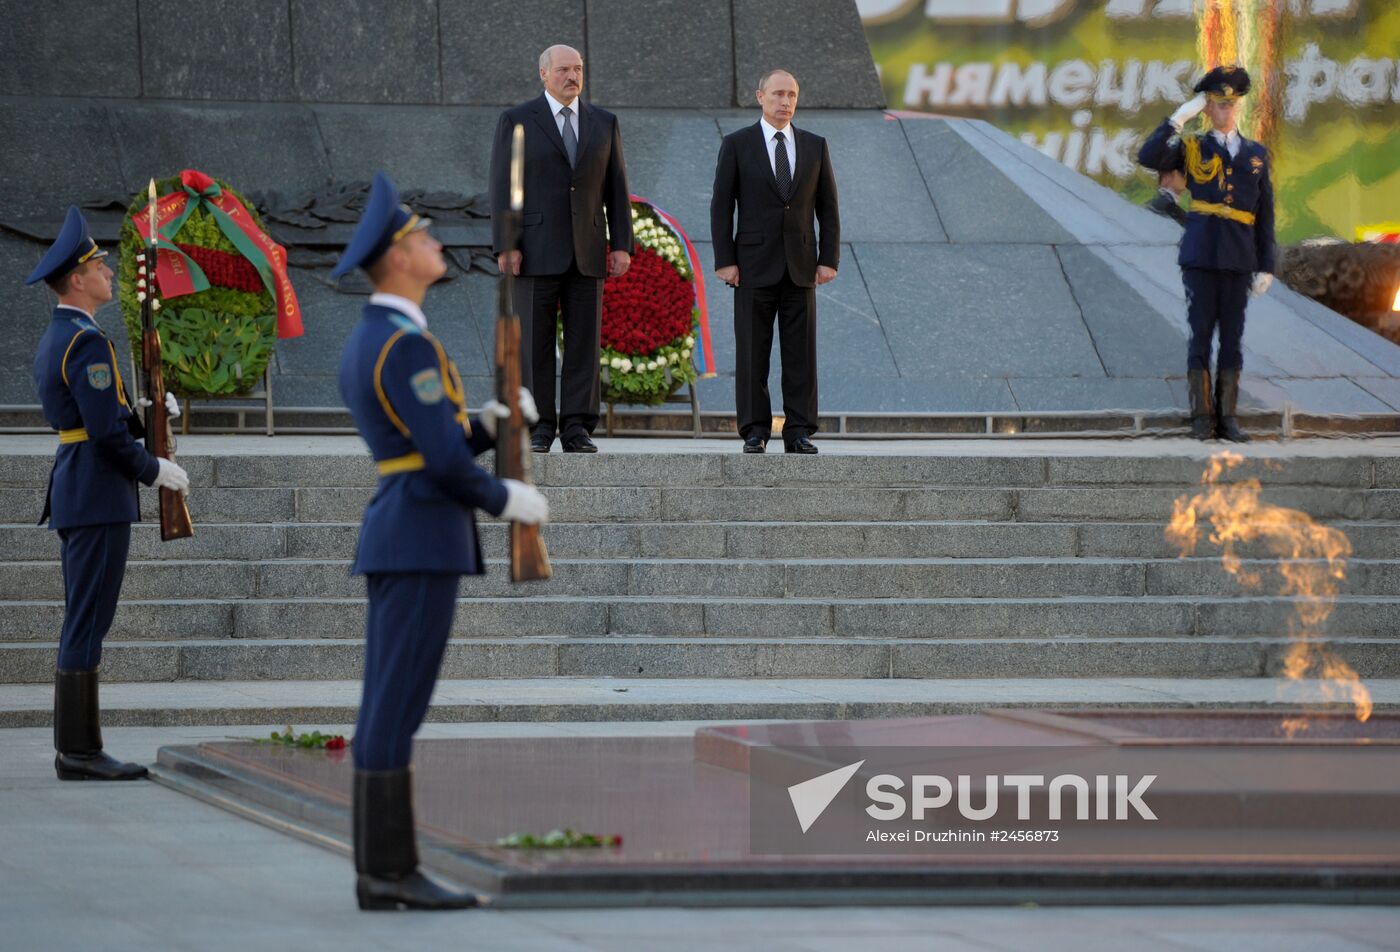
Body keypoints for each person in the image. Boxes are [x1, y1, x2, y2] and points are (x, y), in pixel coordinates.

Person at [333, 172, 549, 910]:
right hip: (422, 532)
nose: (434, 244)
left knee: (389, 704)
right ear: (396, 258)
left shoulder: (380, 338)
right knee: (395, 708)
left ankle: (383, 869)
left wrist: (492, 424)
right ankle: (389, 872)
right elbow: (443, 462)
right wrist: (505, 497)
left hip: (407, 528)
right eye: (421, 238)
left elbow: (438, 438)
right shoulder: (405, 347)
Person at [28, 205, 189, 781]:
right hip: (97, 489)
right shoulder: (87, 343)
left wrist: (147, 418)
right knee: (88, 621)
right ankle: (79, 751)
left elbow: (101, 415)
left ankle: (80, 747)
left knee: (85, 618)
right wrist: (154, 470)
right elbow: (100, 432)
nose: (108, 273)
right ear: (77, 278)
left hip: (82, 486)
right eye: (99, 265)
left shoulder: (65, 335)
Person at [489, 43, 632, 454]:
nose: (573, 77)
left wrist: (621, 244)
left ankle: (577, 427)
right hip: (533, 250)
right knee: (533, 344)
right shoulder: (516, 120)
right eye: (564, 70)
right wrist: (506, 243)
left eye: (579, 69)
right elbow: (503, 185)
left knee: (583, 344)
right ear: (543, 74)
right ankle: (537, 426)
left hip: (587, 250)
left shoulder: (604, 122)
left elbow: (616, 187)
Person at [1138, 65, 1276, 443]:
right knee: (1200, 336)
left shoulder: (1257, 155)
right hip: (1201, 254)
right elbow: (1148, 155)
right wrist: (1180, 117)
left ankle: (1227, 417)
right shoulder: (1193, 147)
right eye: (1217, 104)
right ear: (1207, 108)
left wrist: (1267, 265)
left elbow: (1265, 216)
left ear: (1238, 107)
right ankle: (1201, 416)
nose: (1225, 111)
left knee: (1232, 338)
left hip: (1238, 257)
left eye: (1231, 104)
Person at [710, 68, 840, 455]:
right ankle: (755, 430)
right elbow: (721, 206)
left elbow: (828, 208)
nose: (786, 102)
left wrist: (827, 258)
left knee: (801, 354)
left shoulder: (815, 146)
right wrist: (725, 260)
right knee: (752, 352)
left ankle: (799, 430)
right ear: (760, 96)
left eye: (792, 95)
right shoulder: (737, 144)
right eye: (779, 94)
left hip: (801, 266)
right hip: (750, 266)